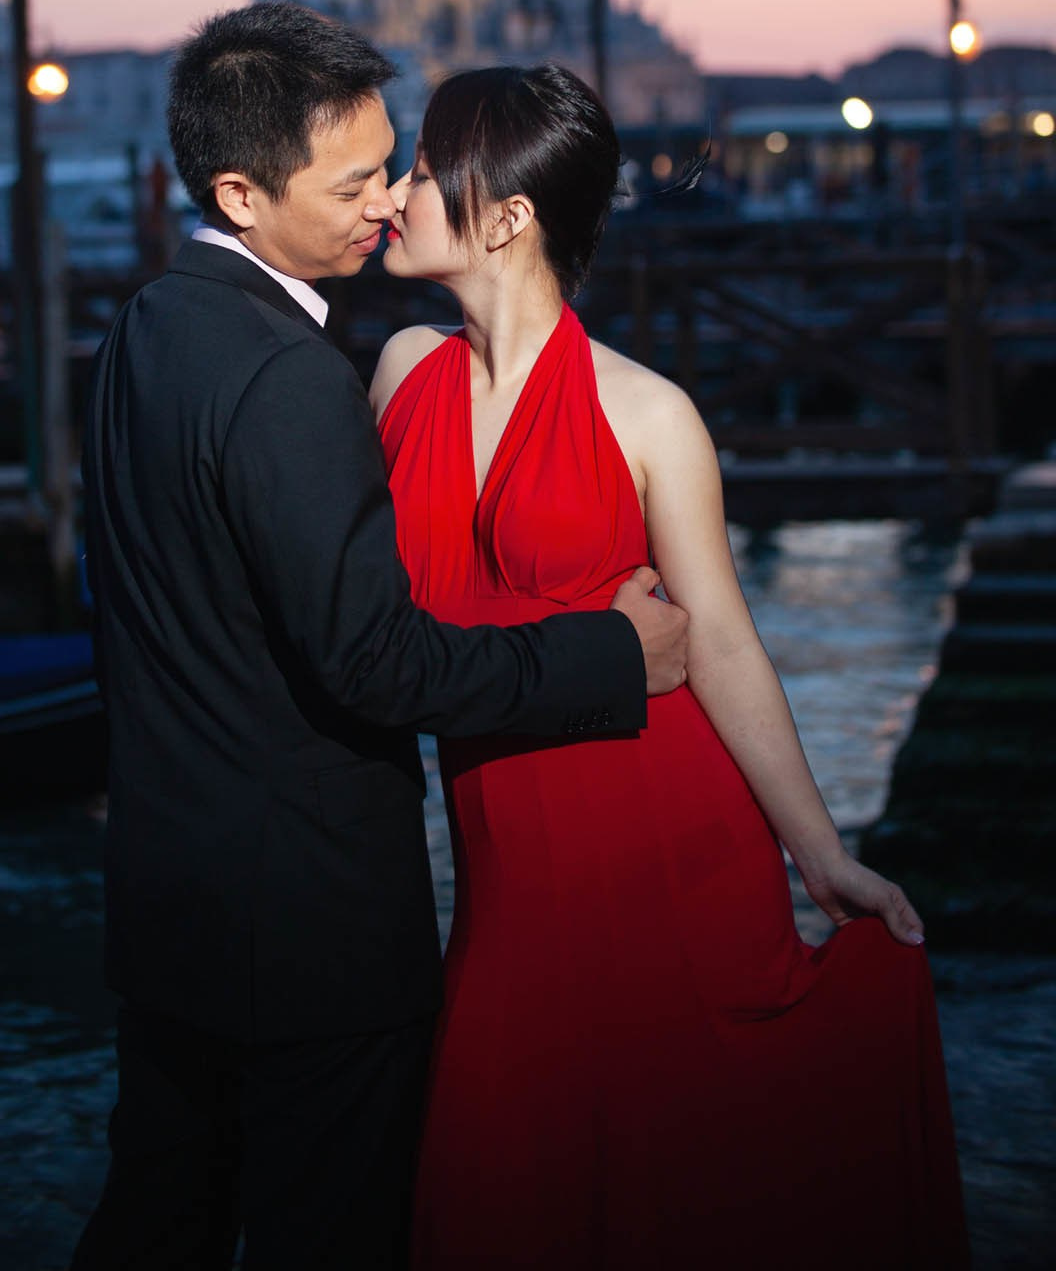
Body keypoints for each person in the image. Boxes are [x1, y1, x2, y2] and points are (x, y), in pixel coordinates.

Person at [70, 5, 690, 1271]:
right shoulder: (289, 375)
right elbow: (377, 662)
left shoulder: (144, 327)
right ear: (241, 193)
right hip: (310, 932)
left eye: (390, 165)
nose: (389, 201)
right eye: (354, 184)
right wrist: (609, 655)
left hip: (170, 905)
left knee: (155, 1228)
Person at [372, 63, 970, 1271]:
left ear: (507, 216)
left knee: (674, 1185)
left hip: (664, 843)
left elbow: (727, 642)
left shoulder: (648, 415)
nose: (393, 194)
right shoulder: (396, 374)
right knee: (499, 1184)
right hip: (502, 883)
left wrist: (821, 855)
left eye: (423, 173)